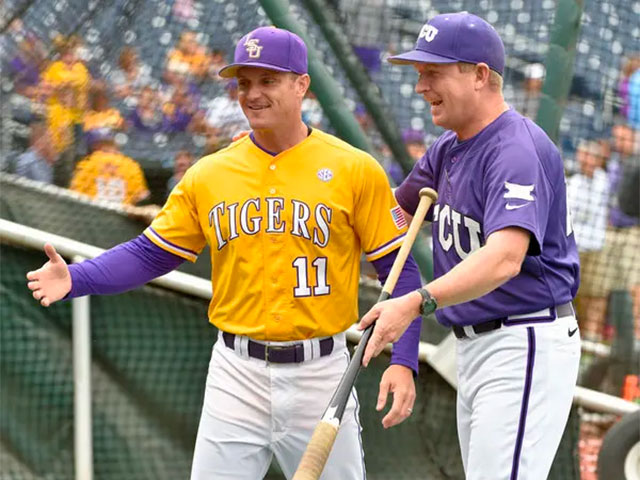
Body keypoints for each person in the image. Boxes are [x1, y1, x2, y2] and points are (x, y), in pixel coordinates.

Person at [26, 26, 422, 479]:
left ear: (301, 84)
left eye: (267, 80)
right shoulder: (209, 174)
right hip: (237, 374)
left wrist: (405, 361)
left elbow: (400, 271)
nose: (252, 93)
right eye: (243, 82)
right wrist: (77, 278)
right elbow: (151, 253)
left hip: (322, 371)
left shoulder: (354, 168)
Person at [358, 12, 581, 480]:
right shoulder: (449, 146)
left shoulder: (515, 148)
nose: (422, 87)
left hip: (524, 339)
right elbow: (391, 217)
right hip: (476, 344)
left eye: (433, 73)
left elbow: (504, 258)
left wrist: (416, 303)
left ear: (480, 75)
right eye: (420, 74)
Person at [566, 139, 610, 342]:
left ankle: (592, 340)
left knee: (596, 295)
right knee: (575, 296)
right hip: (576, 248)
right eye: (583, 156)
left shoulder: (605, 182)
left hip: (597, 248)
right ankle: (575, 338)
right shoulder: (572, 184)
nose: (586, 160)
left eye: (591, 156)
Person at [69, 133, 150, 205]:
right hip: (124, 216)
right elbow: (142, 195)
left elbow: (75, 193)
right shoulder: (131, 166)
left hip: (92, 214)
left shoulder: (87, 165)